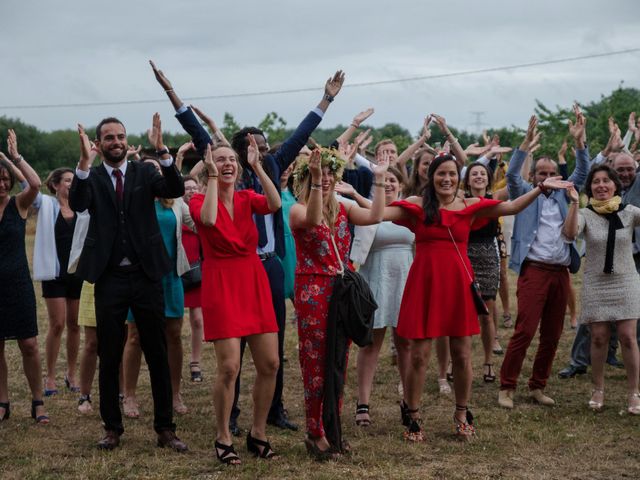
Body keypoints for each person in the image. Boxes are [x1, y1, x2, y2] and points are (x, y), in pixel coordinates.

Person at [149, 60, 344, 434]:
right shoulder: (225, 177)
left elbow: (302, 135)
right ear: (236, 152)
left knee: (272, 348)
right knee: (232, 353)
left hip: (267, 266)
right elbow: (194, 129)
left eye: (266, 146)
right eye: (254, 146)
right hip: (229, 267)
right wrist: (171, 93)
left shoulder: (269, 168)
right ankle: (232, 417)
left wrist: (326, 100)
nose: (264, 150)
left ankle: (275, 411)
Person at [382, 151, 572, 441]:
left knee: (462, 353)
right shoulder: (417, 206)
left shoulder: (469, 205)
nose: (446, 178)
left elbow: (510, 207)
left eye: (451, 173)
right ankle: (413, 413)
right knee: (419, 356)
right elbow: (378, 213)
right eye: (440, 173)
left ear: (458, 178)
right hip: (425, 284)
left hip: (458, 285)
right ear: (431, 177)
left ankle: (461, 412)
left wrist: (539, 187)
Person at [68, 115, 187, 451]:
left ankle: (165, 429)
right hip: (109, 277)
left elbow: (175, 189)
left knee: (157, 350)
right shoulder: (89, 177)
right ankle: (112, 428)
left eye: (120, 136)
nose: (117, 142)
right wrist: (82, 162)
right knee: (109, 352)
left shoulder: (144, 172)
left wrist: (162, 149)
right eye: (109, 137)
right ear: (99, 143)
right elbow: (78, 204)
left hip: (146, 274)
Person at [290, 146, 389, 458]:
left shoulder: (345, 209)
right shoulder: (297, 209)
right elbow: (313, 217)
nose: (329, 180)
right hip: (313, 290)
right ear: (307, 179)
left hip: (341, 289)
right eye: (321, 176)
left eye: (332, 176)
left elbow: (376, 215)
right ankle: (314, 431)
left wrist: (380, 180)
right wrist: (318, 180)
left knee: (337, 362)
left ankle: (332, 428)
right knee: (316, 363)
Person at [189, 137, 281, 464]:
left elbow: (275, 204)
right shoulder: (199, 200)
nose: (227, 163)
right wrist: (212, 177)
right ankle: (223, 435)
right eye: (220, 159)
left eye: (232, 160)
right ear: (210, 165)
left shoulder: (247, 197)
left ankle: (258, 432)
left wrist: (258, 165)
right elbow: (211, 220)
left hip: (252, 279)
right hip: (221, 282)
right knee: (229, 367)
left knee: (270, 363)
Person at [498, 109, 589, 410]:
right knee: (525, 330)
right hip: (534, 270)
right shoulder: (525, 191)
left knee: (552, 334)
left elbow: (583, 172)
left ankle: (538, 385)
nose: (548, 178)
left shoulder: (565, 194)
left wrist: (580, 143)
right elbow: (511, 174)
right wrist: (524, 143)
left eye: (552, 173)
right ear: (534, 175)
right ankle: (507, 386)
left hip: (560, 271)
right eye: (541, 173)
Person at [562, 165, 640, 414]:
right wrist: (574, 204)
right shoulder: (585, 213)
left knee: (628, 337)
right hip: (596, 282)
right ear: (590, 188)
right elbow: (570, 233)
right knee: (598, 337)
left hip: (626, 281)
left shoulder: (628, 212)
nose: (602, 185)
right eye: (596, 182)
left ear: (616, 185)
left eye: (606, 181)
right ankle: (598, 388)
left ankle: (634, 392)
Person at [121, 155, 193, 417]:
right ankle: (129, 396)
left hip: (170, 275)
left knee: (173, 335)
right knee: (135, 336)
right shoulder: (130, 200)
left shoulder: (174, 202)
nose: (152, 173)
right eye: (146, 168)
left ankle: (174, 393)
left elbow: (197, 223)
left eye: (156, 169)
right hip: (138, 277)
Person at [349, 166, 412, 426]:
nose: (388, 184)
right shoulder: (365, 209)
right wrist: (354, 193)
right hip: (374, 278)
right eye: (383, 180)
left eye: (393, 180)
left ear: (401, 185)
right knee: (370, 344)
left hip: (405, 278)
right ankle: (363, 404)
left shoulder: (409, 208)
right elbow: (376, 216)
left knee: (406, 344)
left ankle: (410, 401)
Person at [0, 130, 49, 424]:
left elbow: (35, 183)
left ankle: (38, 401)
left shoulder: (19, 204)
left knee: (28, 344)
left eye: (6, 179)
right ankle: (3, 402)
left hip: (18, 282)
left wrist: (13, 157)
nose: (3, 184)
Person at [31, 168, 83, 396]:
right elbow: (27, 187)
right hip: (54, 274)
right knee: (57, 324)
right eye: (67, 180)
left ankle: (71, 374)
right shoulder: (46, 205)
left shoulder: (83, 208)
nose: (71, 184)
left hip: (77, 274)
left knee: (74, 325)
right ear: (55, 185)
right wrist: (15, 159)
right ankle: (49, 376)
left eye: (73, 180)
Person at [463, 162, 504, 383]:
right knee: (462, 312)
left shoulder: (495, 199)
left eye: (482, 173)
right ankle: (460, 360)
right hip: (464, 255)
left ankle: (488, 361)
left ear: (488, 179)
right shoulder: (459, 201)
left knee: (486, 312)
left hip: (488, 257)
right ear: (467, 180)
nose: (478, 176)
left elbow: (517, 181)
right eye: (473, 173)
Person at [180, 174, 205, 382]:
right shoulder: (175, 209)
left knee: (197, 319)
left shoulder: (200, 210)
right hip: (177, 270)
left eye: (194, 187)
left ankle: (195, 362)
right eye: (187, 187)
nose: (191, 190)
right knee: (174, 322)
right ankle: (174, 359)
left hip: (197, 271)